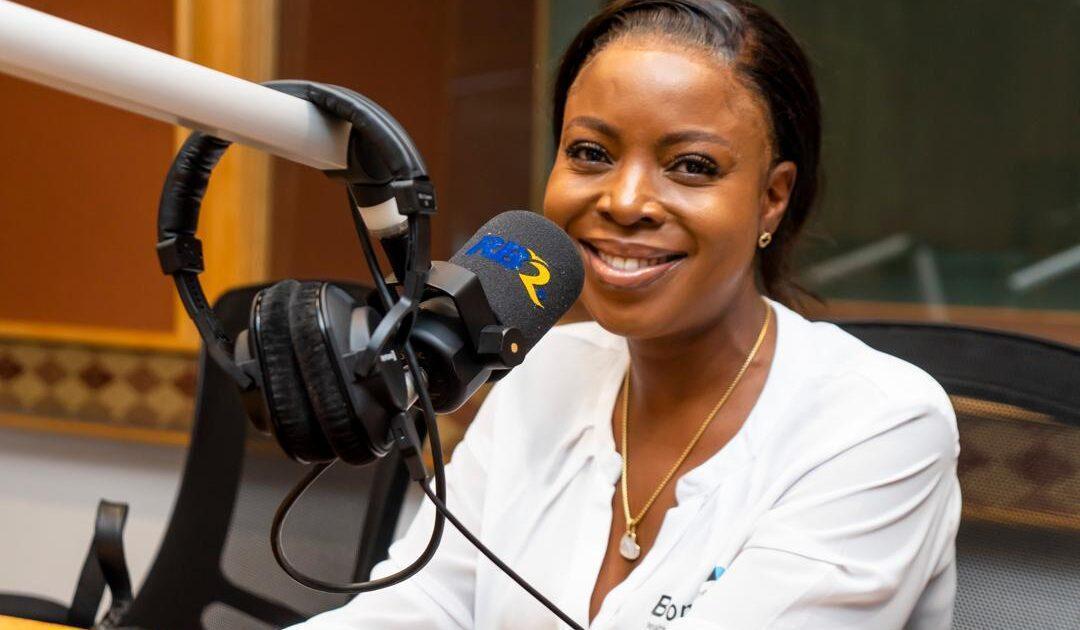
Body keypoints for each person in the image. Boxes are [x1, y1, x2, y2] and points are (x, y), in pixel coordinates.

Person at [293, 0, 961, 627]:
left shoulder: (878, 425)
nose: (625, 200)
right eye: (591, 154)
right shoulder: (538, 370)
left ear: (772, 198)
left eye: (691, 165)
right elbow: (423, 607)